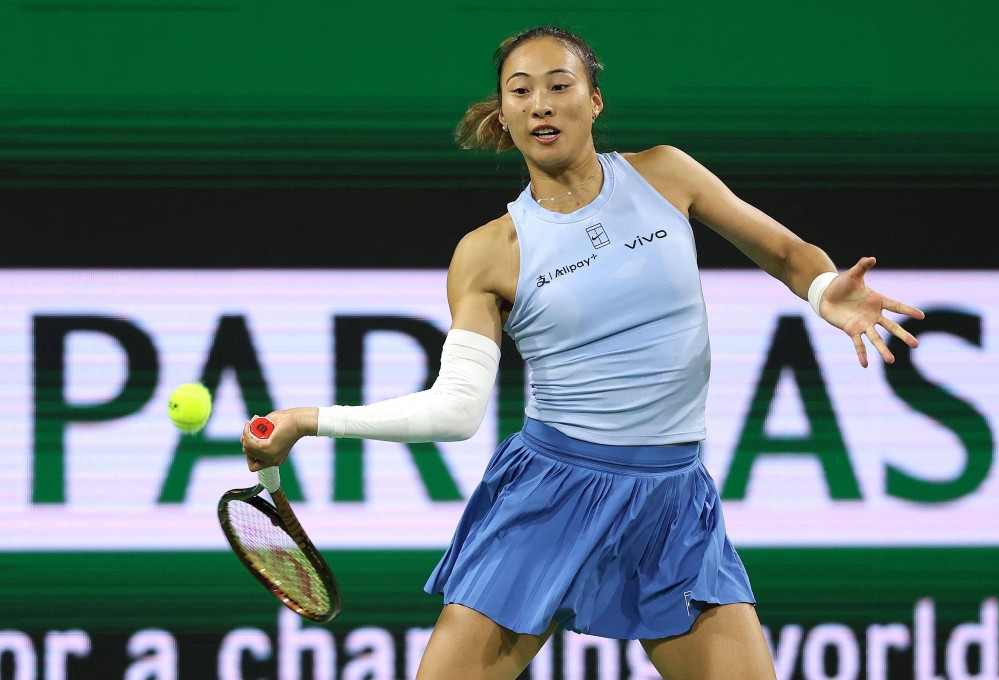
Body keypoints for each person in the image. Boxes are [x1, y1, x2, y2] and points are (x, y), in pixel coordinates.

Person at [240, 25, 925, 680]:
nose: (540, 102)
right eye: (520, 90)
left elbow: (782, 251)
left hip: (673, 499)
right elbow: (455, 411)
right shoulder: (488, 253)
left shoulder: (666, 175)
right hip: (550, 496)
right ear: (503, 115)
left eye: (559, 85)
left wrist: (827, 288)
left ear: (594, 100)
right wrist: (307, 419)